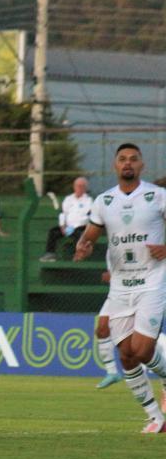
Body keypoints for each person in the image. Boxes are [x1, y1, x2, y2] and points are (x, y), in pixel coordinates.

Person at [75, 143, 166, 433]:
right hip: (120, 288)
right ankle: (156, 418)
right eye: (122, 159)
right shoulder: (103, 201)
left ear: (142, 166)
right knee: (126, 355)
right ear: (115, 166)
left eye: (133, 159)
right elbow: (92, 232)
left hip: (151, 282)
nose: (128, 163)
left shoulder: (158, 196)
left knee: (141, 350)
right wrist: (84, 244)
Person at [41, 176, 92, 261]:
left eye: (82, 186)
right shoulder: (68, 199)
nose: (79, 188)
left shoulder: (88, 200)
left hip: (80, 227)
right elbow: (63, 213)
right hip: (67, 227)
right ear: (74, 187)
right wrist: (63, 226)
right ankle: (50, 254)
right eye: (77, 186)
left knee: (80, 235)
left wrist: (76, 226)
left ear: (85, 188)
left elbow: (88, 216)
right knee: (53, 232)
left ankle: (78, 256)